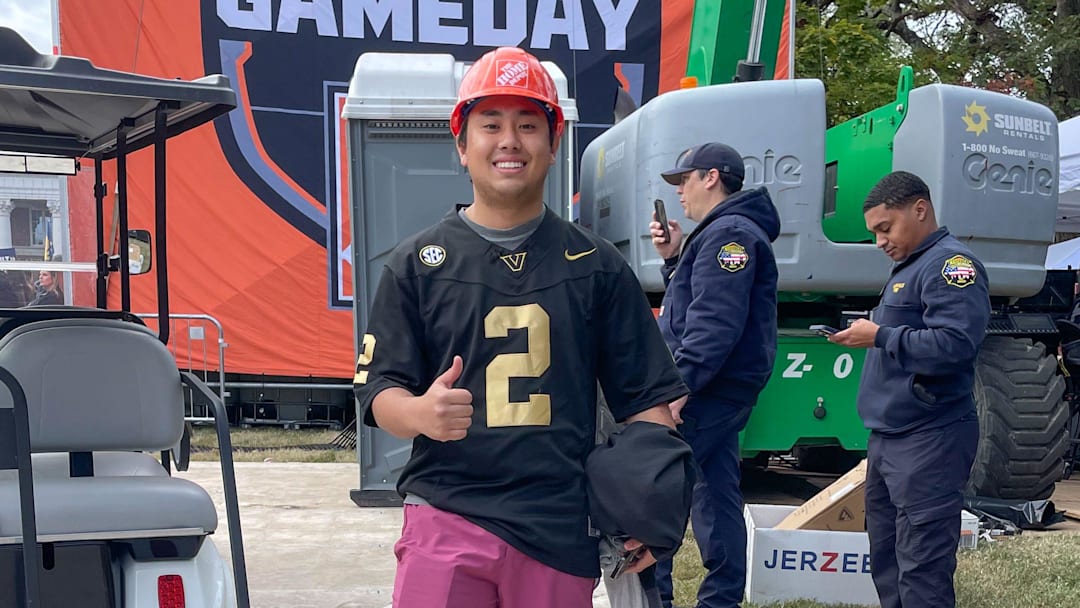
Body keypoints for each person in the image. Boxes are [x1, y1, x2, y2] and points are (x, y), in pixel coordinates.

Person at [353, 46, 689, 608]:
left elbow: (648, 400)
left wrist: (650, 502)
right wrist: (421, 414)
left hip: (557, 525)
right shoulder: (416, 263)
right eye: (491, 124)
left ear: (553, 145)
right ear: (462, 145)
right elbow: (379, 390)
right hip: (447, 512)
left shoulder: (598, 265)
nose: (509, 140)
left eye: (529, 125)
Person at [829, 171, 990, 608]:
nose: (880, 240)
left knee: (922, 567)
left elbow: (955, 345)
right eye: (874, 233)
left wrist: (879, 336)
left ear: (920, 209)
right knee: (887, 560)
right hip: (891, 437)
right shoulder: (910, 267)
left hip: (930, 437)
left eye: (886, 227)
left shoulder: (950, 266)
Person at [650, 142, 780, 608]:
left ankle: (654, 599)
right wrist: (673, 258)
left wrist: (677, 389)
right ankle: (721, 599)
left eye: (682, 180)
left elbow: (714, 326)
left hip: (706, 391)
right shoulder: (723, 234)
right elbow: (695, 308)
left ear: (710, 177)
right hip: (717, 389)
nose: (679, 192)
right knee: (716, 493)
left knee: (654, 494)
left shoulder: (730, 236)